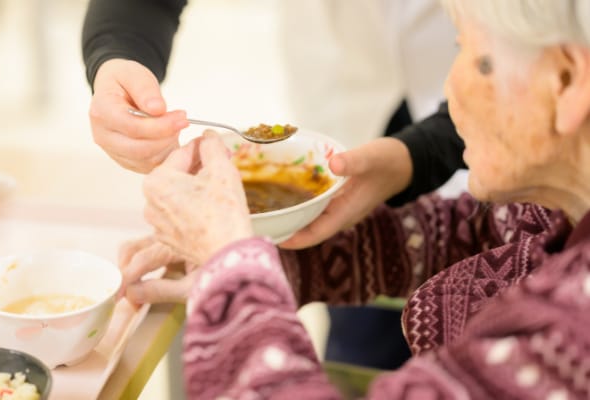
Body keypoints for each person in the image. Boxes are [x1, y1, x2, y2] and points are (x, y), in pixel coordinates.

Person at [121, 0, 590, 398]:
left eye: (469, 52)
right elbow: (483, 234)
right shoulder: (559, 212)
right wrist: (276, 258)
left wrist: (233, 275)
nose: (447, 90)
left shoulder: (567, 333)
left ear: (565, 81)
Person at [82, 0, 461, 368]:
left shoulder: (505, 329)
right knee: (361, 344)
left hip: (470, 174)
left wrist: (233, 281)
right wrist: (116, 53)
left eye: (476, 54)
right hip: (359, 147)